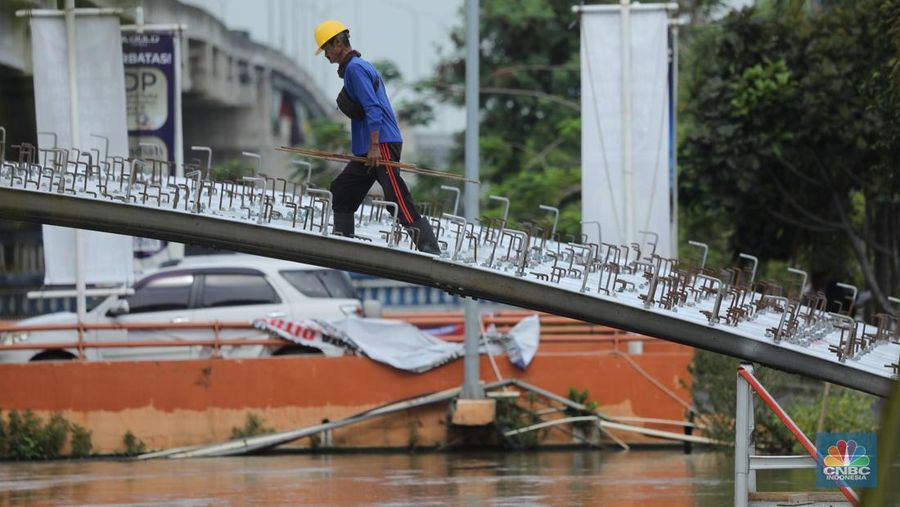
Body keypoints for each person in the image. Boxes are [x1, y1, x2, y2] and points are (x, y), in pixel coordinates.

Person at [313, 20, 441, 255]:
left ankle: (429, 247)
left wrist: (374, 146)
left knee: (396, 196)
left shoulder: (355, 68)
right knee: (342, 189)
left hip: (380, 144)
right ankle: (343, 242)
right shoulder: (353, 69)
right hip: (368, 148)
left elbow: (373, 108)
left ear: (339, 43)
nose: (326, 55)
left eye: (327, 48)